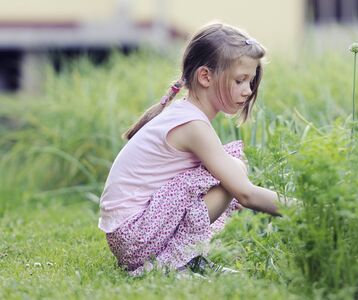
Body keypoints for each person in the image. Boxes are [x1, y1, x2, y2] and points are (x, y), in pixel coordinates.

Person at [98, 22, 280, 277]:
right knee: (233, 170)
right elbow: (246, 194)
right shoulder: (193, 125)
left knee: (226, 169)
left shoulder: (185, 115)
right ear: (205, 76)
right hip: (135, 236)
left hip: (130, 235)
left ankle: (186, 258)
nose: (248, 91)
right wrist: (305, 208)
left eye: (251, 81)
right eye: (240, 81)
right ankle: (172, 264)